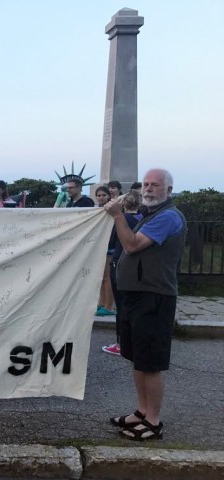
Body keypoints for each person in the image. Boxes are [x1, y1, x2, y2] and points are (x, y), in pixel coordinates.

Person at [104, 168, 186, 441]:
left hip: (153, 297)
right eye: (146, 184)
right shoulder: (150, 215)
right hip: (135, 297)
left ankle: (153, 421)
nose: (148, 189)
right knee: (137, 359)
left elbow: (132, 245)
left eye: (155, 185)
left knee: (150, 362)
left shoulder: (167, 217)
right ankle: (141, 412)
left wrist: (117, 215)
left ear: (169, 191)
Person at [102, 190, 142, 356]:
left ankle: (121, 343)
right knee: (134, 305)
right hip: (137, 267)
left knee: (121, 307)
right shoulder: (142, 219)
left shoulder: (120, 220)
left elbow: (112, 240)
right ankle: (134, 341)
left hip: (120, 263)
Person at [94, 185, 115, 317]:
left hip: (109, 246)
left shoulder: (112, 210)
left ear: (108, 196)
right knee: (101, 277)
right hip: (99, 246)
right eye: (99, 195)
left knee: (107, 277)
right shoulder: (97, 210)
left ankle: (108, 306)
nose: (101, 197)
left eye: (103, 195)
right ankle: (101, 303)